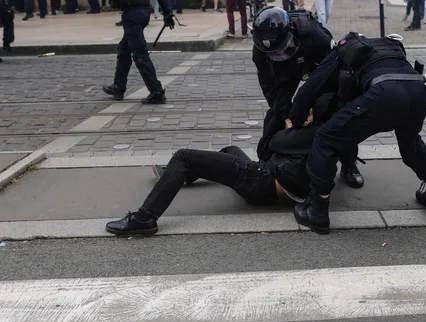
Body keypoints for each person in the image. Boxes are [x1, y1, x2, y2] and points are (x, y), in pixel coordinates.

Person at [290, 32, 426, 234]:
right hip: (420, 88)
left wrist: (294, 120)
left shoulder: (342, 51)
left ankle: (317, 210)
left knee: (326, 138)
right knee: (410, 142)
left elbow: (310, 88)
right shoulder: (387, 46)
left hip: (384, 93)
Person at [104, 101, 337, 236]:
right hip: (265, 176)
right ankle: (174, 175)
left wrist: (287, 129)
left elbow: (270, 145)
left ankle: (144, 219)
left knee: (183, 157)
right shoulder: (323, 136)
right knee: (231, 149)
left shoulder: (311, 134)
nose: (301, 117)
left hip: (262, 180)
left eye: (306, 113)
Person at [252, 6, 365, 187]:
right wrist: (287, 115)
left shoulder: (315, 36)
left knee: (336, 112)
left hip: (316, 65)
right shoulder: (261, 52)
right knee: (275, 113)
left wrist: (313, 108)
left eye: (283, 48)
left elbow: (332, 78)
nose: (281, 54)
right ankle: (264, 163)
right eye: (275, 53)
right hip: (285, 73)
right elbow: (269, 88)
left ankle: (349, 163)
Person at [100, 0, 174, 105]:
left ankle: (156, 91)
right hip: (143, 13)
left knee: (139, 54)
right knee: (124, 49)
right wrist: (168, 12)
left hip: (132, 14)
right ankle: (118, 86)